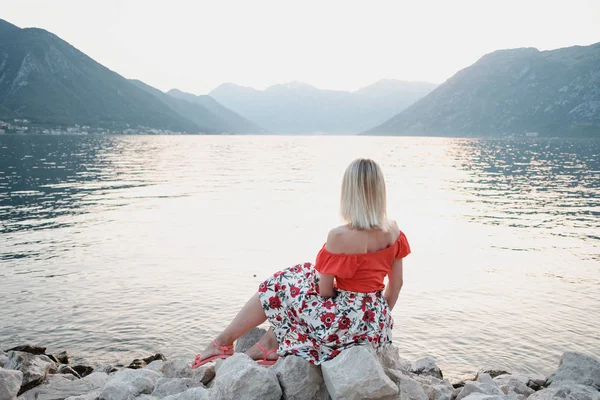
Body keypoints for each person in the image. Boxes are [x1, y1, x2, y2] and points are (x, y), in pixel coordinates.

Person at [192, 158, 411, 368]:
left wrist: (345, 302)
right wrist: (373, 314)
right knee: (302, 284)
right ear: (380, 191)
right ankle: (265, 345)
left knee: (283, 283)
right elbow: (396, 285)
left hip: (340, 326)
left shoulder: (338, 236)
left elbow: (325, 292)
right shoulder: (393, 231)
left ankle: (223, 342)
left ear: (349, 192)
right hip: (376, 326)